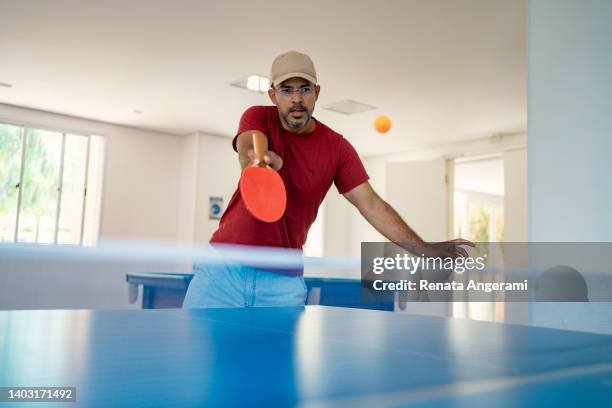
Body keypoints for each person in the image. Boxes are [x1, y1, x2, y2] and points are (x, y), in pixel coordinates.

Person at [183, 51, 471, 308]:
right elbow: (249, 149)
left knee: (274, 368)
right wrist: (260, 161)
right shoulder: (258, 116)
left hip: (283, 283)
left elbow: (371, 205)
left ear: (317, 92)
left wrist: (426, 249)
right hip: (222, 271)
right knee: (194, 362)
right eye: (287, 90)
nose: (296, 99)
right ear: (273, 95)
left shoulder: (337, 148)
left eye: (305, 89)